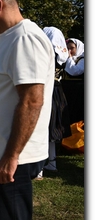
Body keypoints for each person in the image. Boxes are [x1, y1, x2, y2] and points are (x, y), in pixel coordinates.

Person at [0, 0, 54, 220]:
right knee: (2, 219)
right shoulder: (6, 38)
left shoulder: (25, 38)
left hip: (12, 159)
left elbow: (32, 101)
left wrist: (11, 156)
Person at [36, 27, 72, 177]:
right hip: (58, 92)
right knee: (51, 129)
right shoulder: (63, 55)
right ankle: (52, 163)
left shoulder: (46, 53)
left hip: (46, 90)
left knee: (42, 128)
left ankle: (39, 169)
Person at [61, 38, 84, 124]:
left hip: (77, 91)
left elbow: (74, 71)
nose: (69, 51)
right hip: (67, 90)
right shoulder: (67, 60)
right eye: (68, 48)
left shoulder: (82, 59)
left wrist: (69, 59)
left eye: (72, 48)